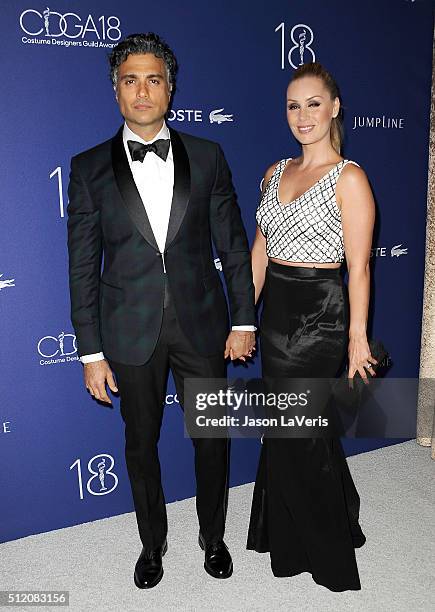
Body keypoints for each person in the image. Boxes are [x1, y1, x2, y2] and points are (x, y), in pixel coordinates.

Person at [67, 32, 256, 589]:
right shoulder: (87, 169)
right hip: (128, 332)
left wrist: (244, 319)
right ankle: (152, 545)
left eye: (153, 79)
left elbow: (234, 244)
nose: (142, 91)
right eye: (130, 80)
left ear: (170, 88)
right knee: (139, 445)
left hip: (203, 325)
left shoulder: (208, 155)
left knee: (211, 439)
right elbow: (81, 266)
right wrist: (90, 351)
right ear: (116, 91)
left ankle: (213, 538)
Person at [246, 61, 376, 591]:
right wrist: (242, 319)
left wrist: (357, 338)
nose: (303, 116)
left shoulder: (351, 177)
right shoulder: (274, 171)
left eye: (313, 103)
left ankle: (327, 553)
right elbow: (261, 250)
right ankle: (335, 510)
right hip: (275, 310)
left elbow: (360, 267)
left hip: (321, 313)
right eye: (293, 105)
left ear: (334, 107)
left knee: (298, 431)